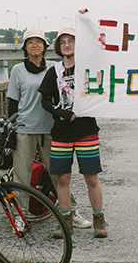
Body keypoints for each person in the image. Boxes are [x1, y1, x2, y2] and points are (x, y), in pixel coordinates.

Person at [6, 29, 92, 228]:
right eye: (30, 42)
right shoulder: (18, 70)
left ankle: (71, 212)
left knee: (59, 174)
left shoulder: (56, 67)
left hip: (51, 129)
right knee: (22, 175)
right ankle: (21, 215)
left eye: (39, 42)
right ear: (25, 47)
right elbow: (12, 103)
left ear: (45, 47)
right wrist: (11, 128)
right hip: (25, 129)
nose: (35, 45)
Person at [39, 26, 107, 238]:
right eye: (63, 42)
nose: (67, 45)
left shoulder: (89, 68)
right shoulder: (55, 71)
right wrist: (62, 113)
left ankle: (99, 218)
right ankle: (65, 219)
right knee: (62, 178)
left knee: (91, 178)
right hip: (62, 132)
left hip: (86, 130)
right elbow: (45, 100)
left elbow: (104, 48)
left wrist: (87, 20)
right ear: (59, 47)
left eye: (72, 41)